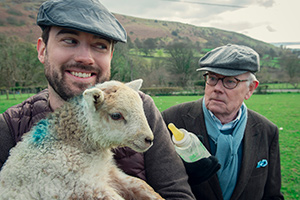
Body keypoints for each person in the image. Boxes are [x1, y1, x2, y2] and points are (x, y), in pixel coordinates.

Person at [0, 0, 196, 199]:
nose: (85, 58)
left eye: (100, 46)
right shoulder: (10, 125)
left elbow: (176, 194)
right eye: (70, 40)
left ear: (110, 56)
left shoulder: (142, 107)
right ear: (43, 50)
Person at [162, 44, 284, 200]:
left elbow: (272, 195)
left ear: (251, 89)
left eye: (230, 81)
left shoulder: (267, 131)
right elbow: (153, 186)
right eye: (212, 78)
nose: (217, 88)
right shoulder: (171, 120)